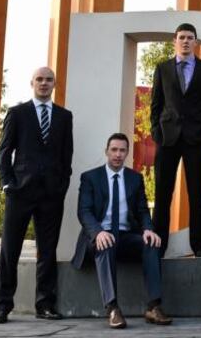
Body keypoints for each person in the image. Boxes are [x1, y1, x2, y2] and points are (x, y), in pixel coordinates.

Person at [0, 67, 73, 324]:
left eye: (49, 79)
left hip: (51, 194)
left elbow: (67, 155)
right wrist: (6, 184)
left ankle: (45, 305)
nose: (44, 83)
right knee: (10, 250)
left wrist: (62, 185)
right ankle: (3, 305)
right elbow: (5, 151)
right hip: (20, 192)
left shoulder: (64, 116)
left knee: (47, 251)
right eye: (40, 79)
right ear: (32, 83)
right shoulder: (17, 113)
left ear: (54, 84)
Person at [71, 133, 171, 328]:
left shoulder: (135, 178)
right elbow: (84, 212)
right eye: (114, 150)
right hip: (99, 236)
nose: (118, 154)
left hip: (125, 236)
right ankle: (112, 308)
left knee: (151, 243)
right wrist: (98, 232)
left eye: (122, 150)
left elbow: (142, 211)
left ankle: (154, 307)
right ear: (106, 151)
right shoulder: (90, 177)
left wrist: (148, 229)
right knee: (106, 243)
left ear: (127, 153)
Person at [150, 23, 201, 255]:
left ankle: (199, 245)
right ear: (175, 41)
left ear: (196, 42)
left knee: (197, 193)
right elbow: (156, 104)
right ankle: (158, 244)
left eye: (190, 38)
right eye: (182, 37)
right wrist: (156, 132)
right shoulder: (162, 68)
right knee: (162, 192)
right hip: (167, 138)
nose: (186, 41)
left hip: (196, 138)